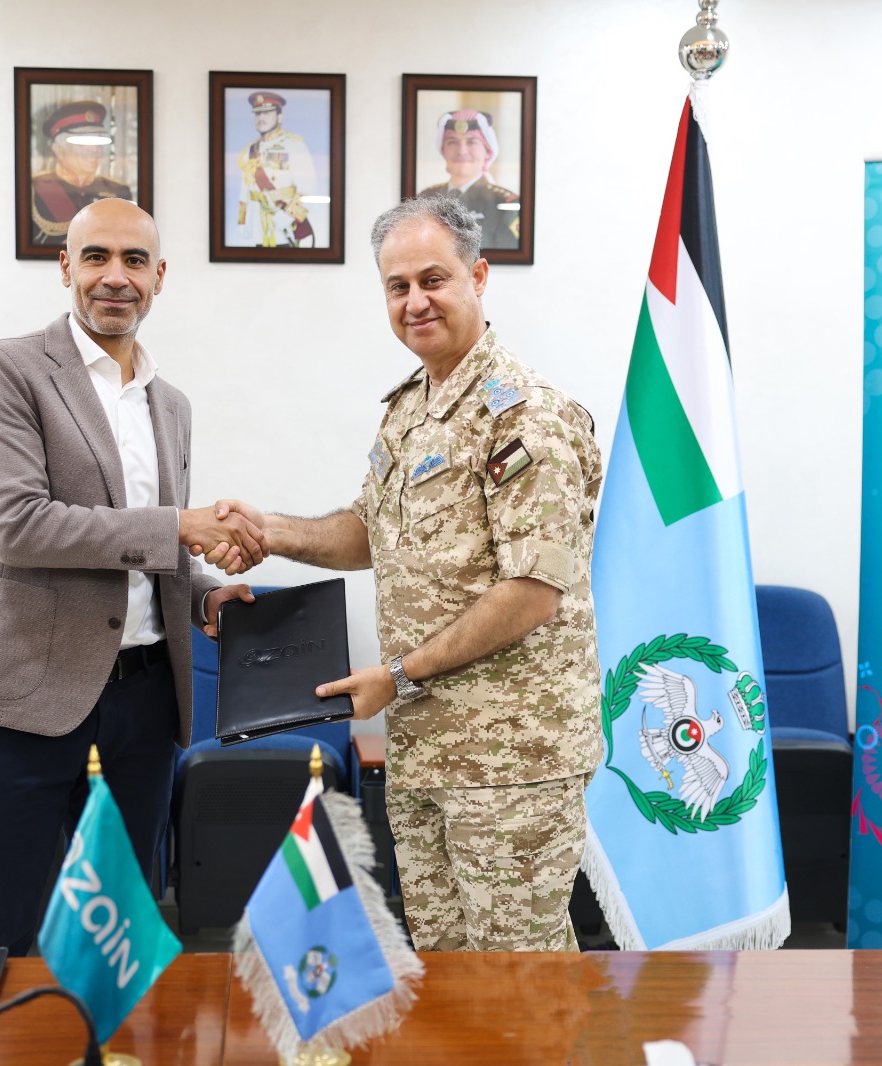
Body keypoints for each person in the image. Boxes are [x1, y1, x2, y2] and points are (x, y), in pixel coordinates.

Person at [216, 196, 603, 951]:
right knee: (446, 972)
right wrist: (269, 532)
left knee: (518, 980)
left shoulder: (526, 416)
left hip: (512, 759)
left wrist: (399, 674)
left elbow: (532, 593)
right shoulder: (410, 410)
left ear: (478, 276)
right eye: (398, 286)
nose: (415, 301)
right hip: (427, 747)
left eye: (433, 279)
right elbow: (370, 530)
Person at [0, 199, 263, 955]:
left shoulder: (171, 406)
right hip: (20, 700)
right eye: (97, 257)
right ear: (65, 267)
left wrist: (204, 591)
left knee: (117, 937)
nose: (116, 277)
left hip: (143, 707)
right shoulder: (8, 369)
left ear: (159, 276)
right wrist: (179, 527)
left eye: (134, 260)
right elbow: (19, 526)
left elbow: (152, 552)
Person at [31, 101, 134, 246]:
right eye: (83, 144)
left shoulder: (118, 192)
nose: (94, 150)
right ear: (58, 150)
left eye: (98, 143)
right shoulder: (35, 189)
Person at [418, 110, 520, 250]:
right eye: (452, 142)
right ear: (443, 150)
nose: (462, 151)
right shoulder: (424, 198)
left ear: (487, 150)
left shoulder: (506, 203)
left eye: (472, 142)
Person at [235, 91, 319, 248]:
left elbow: (308, 189)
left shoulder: (294, 146)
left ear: (280, 117)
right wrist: (242, 221)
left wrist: (286, 217)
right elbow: (244, 190)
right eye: (258, 114)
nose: (261, 118)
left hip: (285, 225)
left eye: (267, 113)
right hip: (258, 226)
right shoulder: (249, 150)